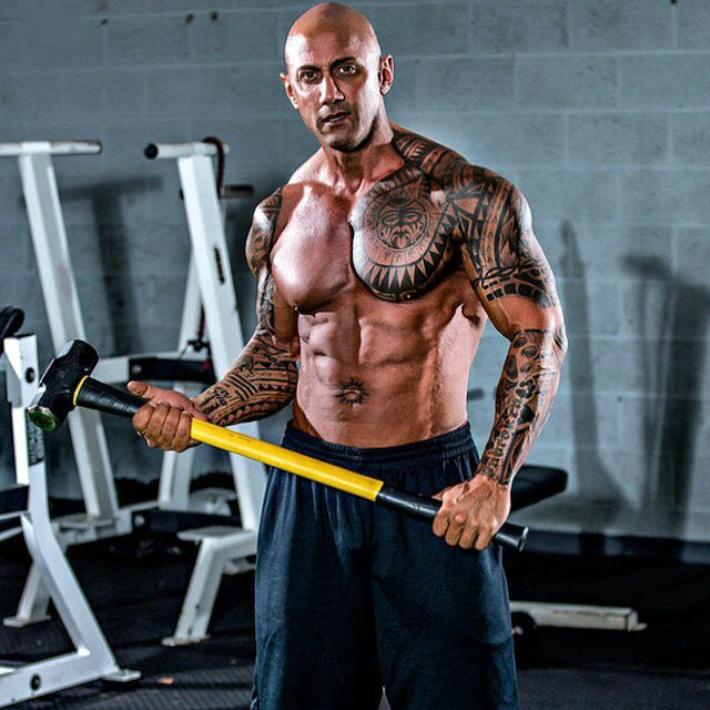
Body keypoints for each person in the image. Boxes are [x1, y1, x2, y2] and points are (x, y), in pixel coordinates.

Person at [129, 3, 567, 708]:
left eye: (347, 70)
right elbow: (276, 357)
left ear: (382, 74)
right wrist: (200, 411)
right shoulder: (280, 215)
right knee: (301, 693)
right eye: (312, 76)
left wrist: (493, 479)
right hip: (308, 481)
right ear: (290, 88)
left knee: (459, 694)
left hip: (430, 485)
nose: (331, 92)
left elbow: (539, 335)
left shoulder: (468, 197)